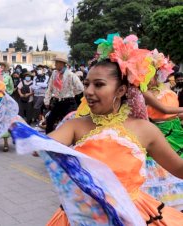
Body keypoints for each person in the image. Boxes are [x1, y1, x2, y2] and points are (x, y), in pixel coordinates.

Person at [10, 34, 183, 225]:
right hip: (82, 217)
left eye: (99, 85)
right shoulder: (75, 125)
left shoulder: (145, 129)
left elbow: (179, 169)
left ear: (121, 91)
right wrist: (23, 131)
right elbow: (44, 145)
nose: (89, 91)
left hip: (131, 216)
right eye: (87, 84)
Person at [141, 50, 183, 210]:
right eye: (146, 73)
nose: (150, 77)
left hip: (176, 132)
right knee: (161, 170)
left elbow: (173, 115)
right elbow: (164, 111)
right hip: (158, 134)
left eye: (152, 73)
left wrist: (180, 116)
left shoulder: (167, 90)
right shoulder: (144, 93)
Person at [44, 55, 84, 133]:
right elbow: (50, 88)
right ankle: (49, 139)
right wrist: (47, 100)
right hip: (57, 101)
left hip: (69, 102)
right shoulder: (54, 73)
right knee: (50, 120)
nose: (55, 64)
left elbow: (80, 88)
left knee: (70, 122)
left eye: (57, 62)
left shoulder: (70, 74)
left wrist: (72, 93)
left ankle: (69, 141)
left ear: (62, 64)